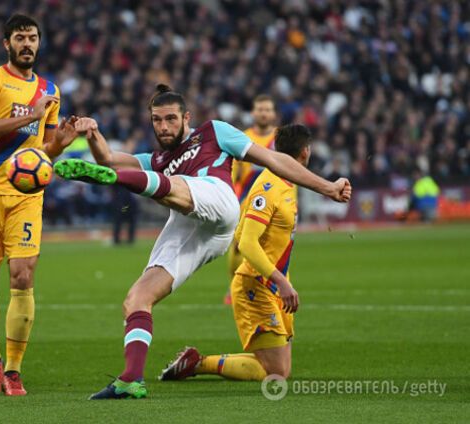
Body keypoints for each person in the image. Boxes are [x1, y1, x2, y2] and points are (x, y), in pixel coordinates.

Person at [55, 84, 351, 399]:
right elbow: (109, 158)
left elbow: (273, 159)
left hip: (218, 201)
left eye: (171, 119)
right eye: (157, 120)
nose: (164, 127)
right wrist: (92, 134)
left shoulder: (214, 132)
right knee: (137, 298)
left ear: (186, 118)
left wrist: (327, 188)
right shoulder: (155, 159)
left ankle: (119, 182)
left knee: (174, 185)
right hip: (188, 224)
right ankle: (131, 380)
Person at [0, 14, 76, 396]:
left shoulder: (50, 90)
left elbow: (43, 150)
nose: (27, 44)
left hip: (26, 196)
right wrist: (31, 113)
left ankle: (12, 370)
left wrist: (62, 140)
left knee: (23, 277)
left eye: (32, 38)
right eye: (20, 38)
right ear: (6, 43)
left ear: (39, 44)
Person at [159, 124, 310, 383]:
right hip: (257, 285)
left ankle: (195, 362)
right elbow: (246, 241)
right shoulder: (269, 187)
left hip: (273, 286)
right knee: (276, 373)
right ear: (306, 152)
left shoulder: (288, 184)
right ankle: (196, 363)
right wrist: (280, 280)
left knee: (279, 368)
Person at [225, 94, 278, 304]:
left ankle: (267, 289)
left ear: (273, 114)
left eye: (267, 109)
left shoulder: (279, 139)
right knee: (238, 246)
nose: (264, 113)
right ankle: (234, 288)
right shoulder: (242, 137)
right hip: (245, 201)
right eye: (260, 109)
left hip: (275, 202)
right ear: (253, 113)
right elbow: (233, 170)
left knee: (273, 246)